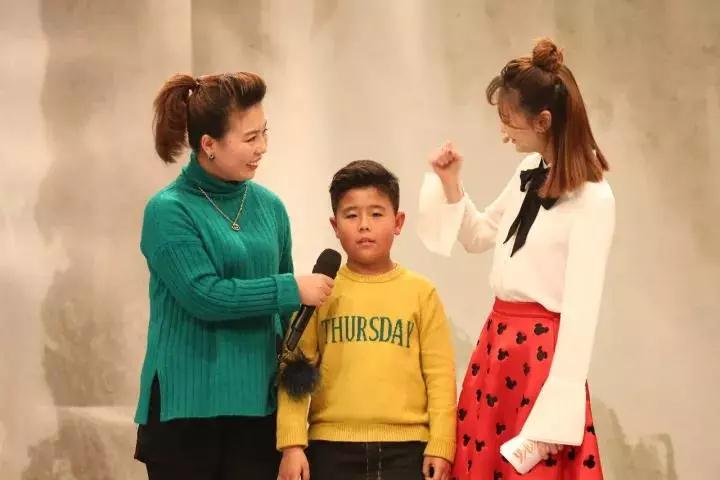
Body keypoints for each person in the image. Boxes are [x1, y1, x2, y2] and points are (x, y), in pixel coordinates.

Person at [417, 38, 614, 479]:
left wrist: (555, 413)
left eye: (510, 121)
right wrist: (450, 182)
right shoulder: (528, 172)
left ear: (543, 121)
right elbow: (479, 235)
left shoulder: (594, 199)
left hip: (540, 359)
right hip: (498, 344)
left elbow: (582, 313)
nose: (504, 133)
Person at [133, 72, 334, 480]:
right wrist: (291, 287)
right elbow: (204, 295)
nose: (262, 147)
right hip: (184, 413)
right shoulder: (168, 210)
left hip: (258, 410)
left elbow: (286, 322)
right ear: (208, 144)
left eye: (264, 133)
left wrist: (293, 424)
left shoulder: (270, 207)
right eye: (250, 138)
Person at [277, 160, 457, 480]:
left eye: (376, 214)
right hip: (331, 448)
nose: (364, 225)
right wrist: (292, 446)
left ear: (398, 222)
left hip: (408, 450)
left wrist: (441, 444)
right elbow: (294, 370)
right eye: (351, 215)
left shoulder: (421, 293)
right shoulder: (319, 291)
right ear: (335, 225)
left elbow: (440, 377)